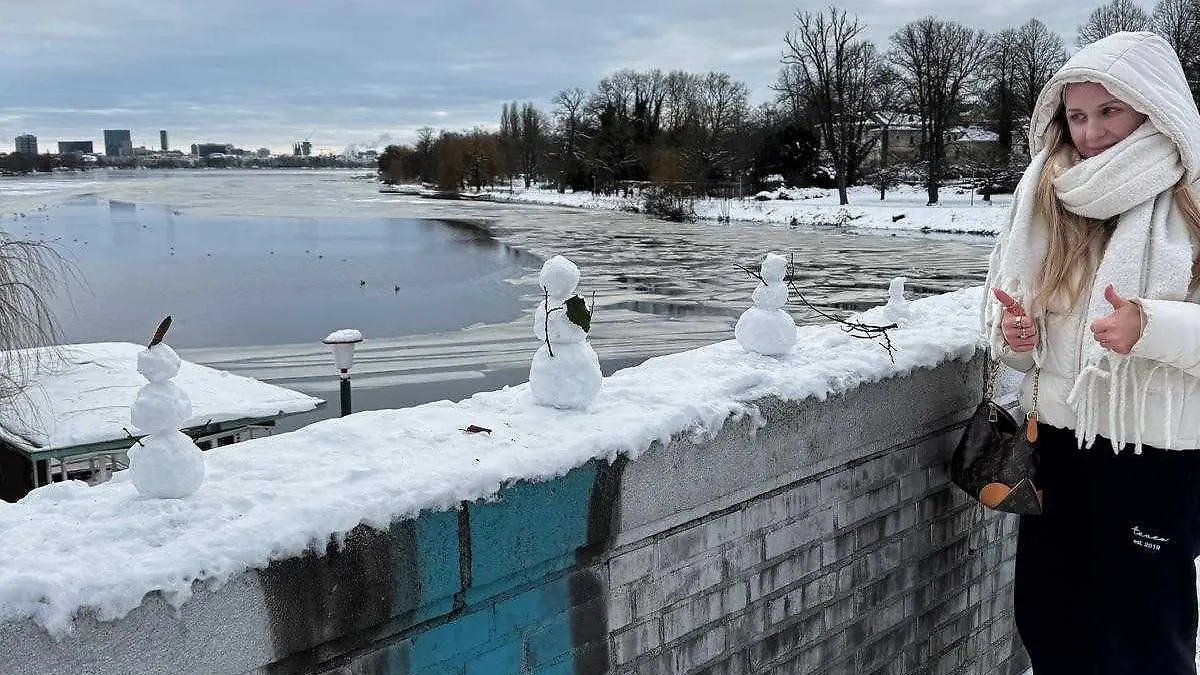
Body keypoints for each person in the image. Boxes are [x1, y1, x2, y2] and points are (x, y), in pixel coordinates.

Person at [983, 32, 1200, 675]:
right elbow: (1029, 343)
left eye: (1109, 111)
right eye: (1076, 115)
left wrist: (1151, 326)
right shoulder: (1050, 197)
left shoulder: (1193, 197)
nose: (1091, 133)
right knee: (1049, 616)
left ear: (1154, 107)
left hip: (1154, 454)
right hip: (1058, 445)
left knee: (1144, 634)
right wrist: (1018, 339)